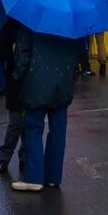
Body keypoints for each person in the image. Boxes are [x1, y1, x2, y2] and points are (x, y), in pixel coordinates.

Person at [10, 25, 83, 192]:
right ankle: (53, 177)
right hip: (63, 84)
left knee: (33, 128)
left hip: (36, 84)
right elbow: (80, 52)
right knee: (58, 131)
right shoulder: (72, 23)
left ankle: (34, 177)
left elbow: (22, 56)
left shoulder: (30, 23)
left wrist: (15, 77)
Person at [0, 19, 25, 174]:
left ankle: (25, 157)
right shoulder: (11, 25)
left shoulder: (40, 24)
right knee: (16, 123)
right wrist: (13, 52)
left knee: (32, 124)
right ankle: (4, 158)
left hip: (36, 81)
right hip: (15, 81)